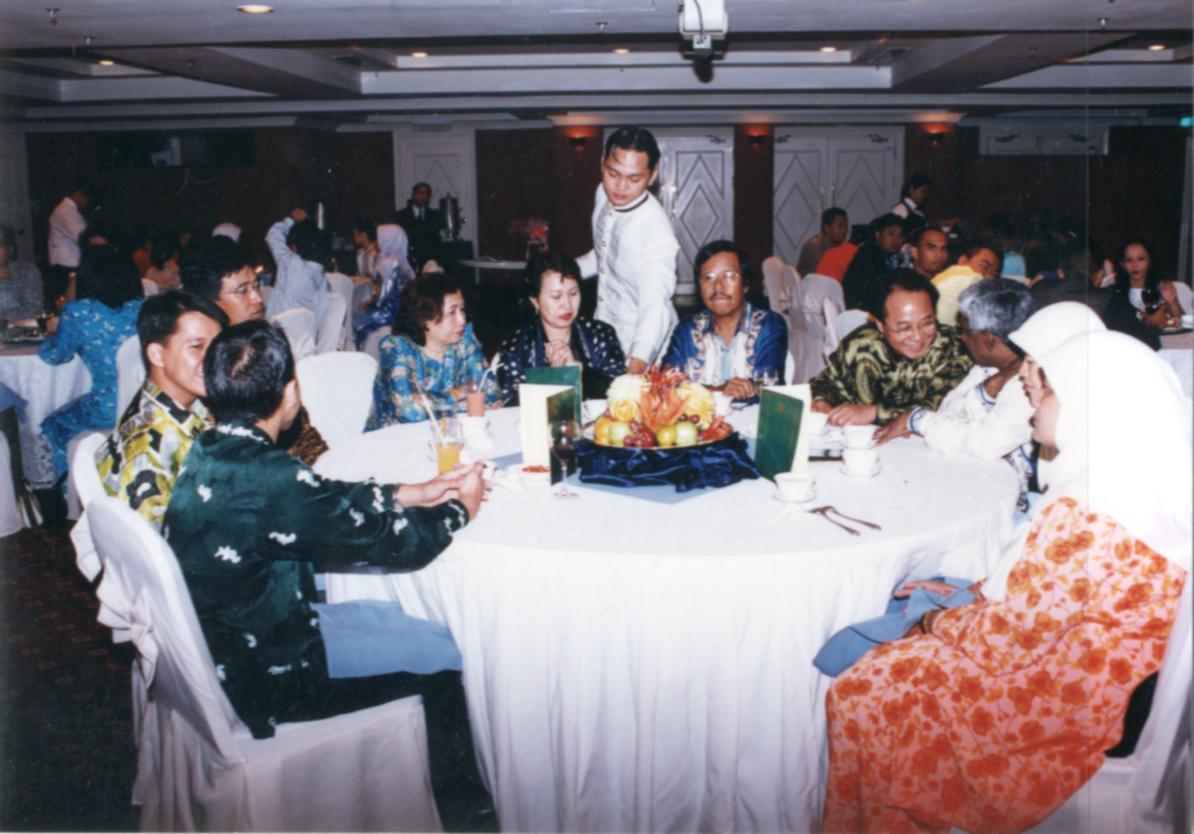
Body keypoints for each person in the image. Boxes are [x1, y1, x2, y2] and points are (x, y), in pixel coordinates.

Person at [822, 329, 1189, 834]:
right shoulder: (1145, 484)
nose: (1031, 401)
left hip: (1065, 704)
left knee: (864, 689)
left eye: (1046, 391)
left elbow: (1007, 641)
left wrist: (933, 621)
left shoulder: (1086, 513)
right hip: (1110, 686)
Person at [163, 320, 494, 830]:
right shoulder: (271, 478)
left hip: (231, 649)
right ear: (290, 393)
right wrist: (460, 509)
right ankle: (462, 813)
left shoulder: (211, 449)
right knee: (446, 661)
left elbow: (320, 499)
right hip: (273, 677)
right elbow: (398, 545)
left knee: (407, 624)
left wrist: (413, 491)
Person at [877, 279, 1036, 511]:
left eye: (964, 331)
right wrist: (990, 386)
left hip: (1014, 507)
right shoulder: (988, 369)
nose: (962, 338)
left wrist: (917, 419)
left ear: (989, 338)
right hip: (979, 484)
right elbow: (947, 410)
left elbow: (986, 444)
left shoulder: (1031, 383)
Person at [179, 235, 328, 464]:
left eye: (256, 285)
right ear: (208, 303)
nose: (258, 297)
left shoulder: (261, 348)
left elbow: (306, 440)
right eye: (242, 290)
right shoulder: (200, 372)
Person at [96, 291, 227, 528]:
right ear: (157, 355)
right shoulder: (147, 451)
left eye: (216, 347)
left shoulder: (180, 403)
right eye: (197, 347)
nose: (214, 360)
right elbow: (148, 542)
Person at [576, 126, 680, 373]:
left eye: (634, 179)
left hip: (644, 343)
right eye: (613, 173)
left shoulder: (657, 234)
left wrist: (637, 364)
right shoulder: (602, 193)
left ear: (652, 176)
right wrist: (560, 271)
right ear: (602, 163)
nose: (620, 186)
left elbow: (654, 305)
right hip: (603, 328)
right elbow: (603, 255)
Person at [811, 270, 972, 426]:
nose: (918, 337)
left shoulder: (955, 348)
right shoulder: (862, 345)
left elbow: (944, 408)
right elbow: (825, 382)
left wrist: (875, 413)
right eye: (904, 328)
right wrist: (821, 401)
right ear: (880, 325)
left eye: (927, 323)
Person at [38, 245, 143, 480]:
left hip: (106, 409)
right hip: (145, 404)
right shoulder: (146, 308)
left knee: (54, 424)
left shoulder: (78, 312)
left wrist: (52, 334)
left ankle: (74, 488)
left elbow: (55, 356)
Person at [367, 272, 501, 427]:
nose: (462, 320)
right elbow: (409, 411)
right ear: (424, 318)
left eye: (462, 310)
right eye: (452, 312)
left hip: (452, 432)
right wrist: (456, 394)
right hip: (397, 436)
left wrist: (432, 402)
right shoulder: (398, 349)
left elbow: (492, 395)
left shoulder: (465, 343)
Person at [661, 240, 787, 401]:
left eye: (729, 276)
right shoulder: (688, 329)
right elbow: (666, 385)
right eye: (708, 278)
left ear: (745, 284)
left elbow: (768, 387)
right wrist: (718, 390)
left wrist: (701, 392)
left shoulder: (768, 325)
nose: (718, 287)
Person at [496, 250, 626, 402]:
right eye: (556, 296)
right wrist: (554, 378)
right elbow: (509, 403)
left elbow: (621, 393)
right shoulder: (516, 347)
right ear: (535, 301)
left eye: (573, 293)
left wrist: (579, 373)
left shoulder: (600, 335)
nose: (567, 304)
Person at [264, 208, 344, 354]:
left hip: (275, 345)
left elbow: (273, 235)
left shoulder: (290, 264)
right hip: (306, 351)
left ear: (294, 248)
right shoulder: (324, 284)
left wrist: (291, 219)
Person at [1103, 238, 1184, 351]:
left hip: (1164, 348)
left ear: (1150, 262)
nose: (1135, 265)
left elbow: (1180, 325)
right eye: (1129, 260)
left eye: (1141, 259)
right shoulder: (1117, 294)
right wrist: (1149, 323)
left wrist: (1172, 302)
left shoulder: (1161, 288)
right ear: (1122, 265)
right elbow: (1115, 330)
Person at [353, 223, 417, 349]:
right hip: (403, 310)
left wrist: (369, 304)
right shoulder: (400, 261)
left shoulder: (388, 263)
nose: (377, 242)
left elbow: (384, 297)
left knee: (356, 316)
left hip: (390, 312)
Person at [931, 237, 1003, 326]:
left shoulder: (946, 275)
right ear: (963, 261)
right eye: (984, 267)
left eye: (994, 274)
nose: (989, 277)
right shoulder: (972, 278)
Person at [841, 213, 905, 311]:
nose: (896, 240)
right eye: (890, 234)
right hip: (862, 309)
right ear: (877, 235)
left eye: (900, 236)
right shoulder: (869, 254)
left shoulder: (892, 256)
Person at [47, 181, 91, 301]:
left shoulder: (69, 210)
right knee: (70, 301)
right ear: (77, 194)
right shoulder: (65, 211)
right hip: (66, 266)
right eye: (85, 196)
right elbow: (83, 236)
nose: (87, 200)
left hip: (69, 264)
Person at [0, 226, 44, 323]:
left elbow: (34, 308)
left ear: (10, 249)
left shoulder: (26, 271)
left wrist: (5, 319)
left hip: (20, 329)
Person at [395, 181, 442, 270]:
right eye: (419, 193)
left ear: (429, 197)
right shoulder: (401, 215)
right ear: (413, 195)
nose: (422, 197)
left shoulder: (435, 215)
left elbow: (437, 240)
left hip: (429, 261)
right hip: (409, 260)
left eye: (426, 194)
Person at [796, 208, 848, 276]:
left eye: (845, 227)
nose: (844, 230)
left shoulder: (840, 244)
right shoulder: (813, 248)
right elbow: (828, 276)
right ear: (826, 228)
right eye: (840, 226)